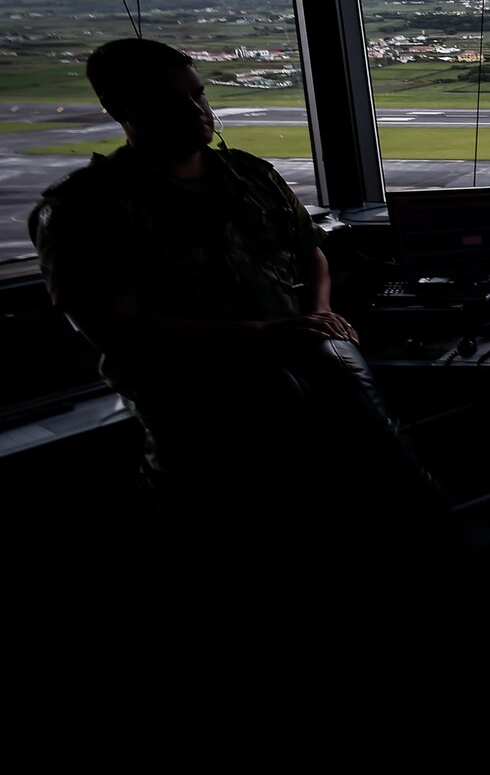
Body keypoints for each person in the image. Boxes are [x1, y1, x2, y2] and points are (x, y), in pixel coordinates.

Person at [28, 37, 450, 579]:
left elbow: (310, 249)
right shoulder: (85, 210)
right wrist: (267, 333)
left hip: (303, 386)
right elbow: (117, 329)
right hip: (202, 423)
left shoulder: (250, 175)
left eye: (199, 95)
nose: (196, 112)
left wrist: (319, 314)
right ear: (118, 109)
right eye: (168, 101)